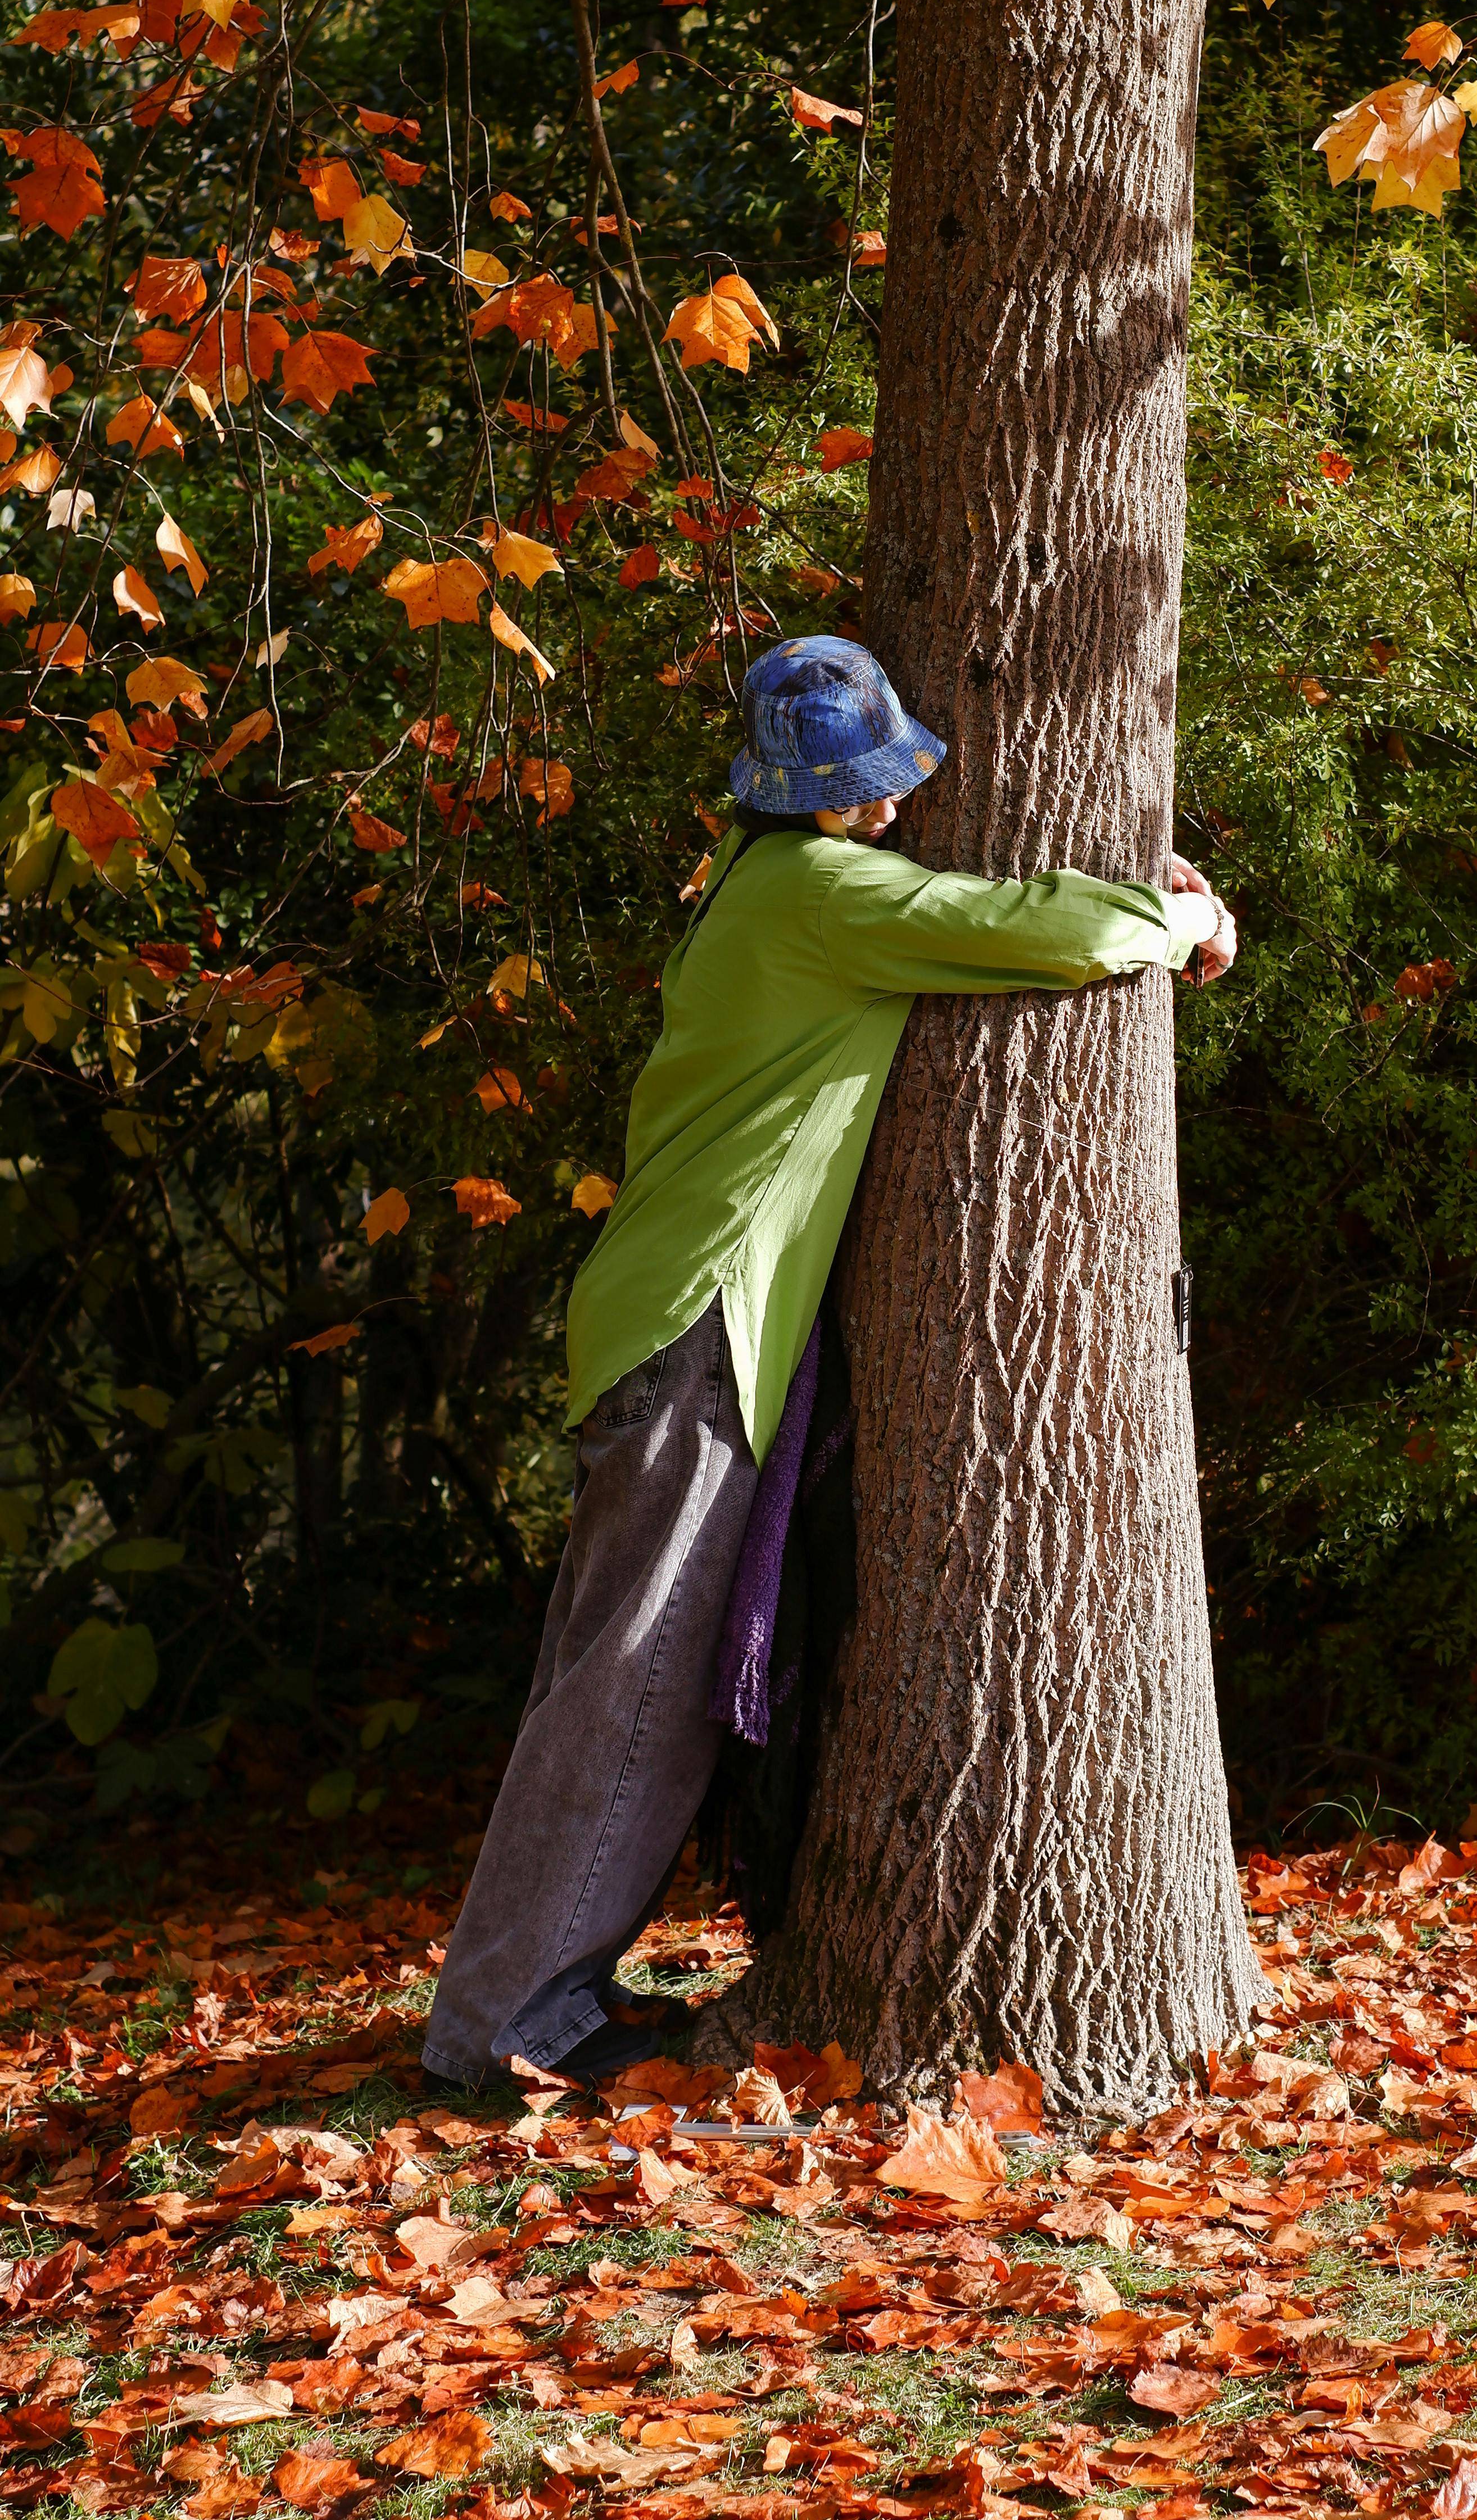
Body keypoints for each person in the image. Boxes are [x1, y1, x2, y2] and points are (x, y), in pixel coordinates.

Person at [422, 634, 1238, 2091]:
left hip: (667, 1309)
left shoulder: (760, 885)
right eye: (868, 784)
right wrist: (1175, 920)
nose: (887, 805)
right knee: (639, 1676)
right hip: (697, 1315)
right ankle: (512, 2018)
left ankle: (505, 1994)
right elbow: (1031, 932)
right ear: (836, 794)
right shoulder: (816, 894)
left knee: (605, 1672)